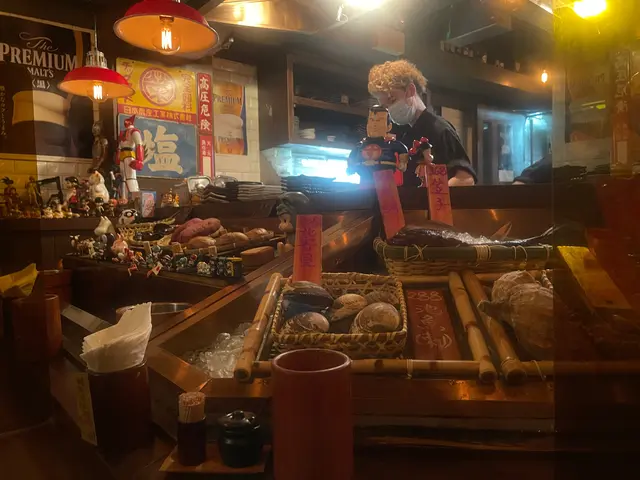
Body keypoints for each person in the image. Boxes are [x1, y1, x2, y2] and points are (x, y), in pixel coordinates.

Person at [367, 59, 477, 187]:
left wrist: (433, 195)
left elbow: (465, 178)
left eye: (392, 100)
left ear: (410, 90)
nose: (390, 109)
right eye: (385, 106)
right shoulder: (402, 132)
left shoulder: (439, 129)